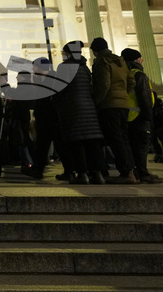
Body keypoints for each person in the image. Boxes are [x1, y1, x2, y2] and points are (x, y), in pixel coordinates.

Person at [54, 41, 107, 184]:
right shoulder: (85, 68)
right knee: (92, 143)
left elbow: (59, 89)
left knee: (77, 143)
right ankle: (97, 174)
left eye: (64, 53)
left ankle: (82, 174)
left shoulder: (64, 68)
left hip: (72, 109)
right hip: (89, 108)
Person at [89, 37, 137, 183]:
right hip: (123, 105)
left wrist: (96, 102)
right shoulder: (120, 61)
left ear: (95, 51)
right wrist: (122, 95)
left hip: (109, 106)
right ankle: (131, 172)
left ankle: (126, 173)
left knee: (115, 139)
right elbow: (131, 81)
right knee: (123, 139)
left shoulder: (102, 62)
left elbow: (103, 85)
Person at [121, 48, 160, 183]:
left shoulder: (125, 74)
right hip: (140, 116)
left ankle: (138, 172)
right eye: (140, 58)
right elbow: (145, 98)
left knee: (133, 147)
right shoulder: (139, 75)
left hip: (128, 116)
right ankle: (143, 173)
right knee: (142, 146)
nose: (142, 60)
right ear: (136, 60)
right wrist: (149, 117)